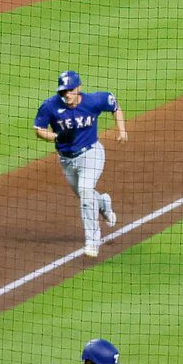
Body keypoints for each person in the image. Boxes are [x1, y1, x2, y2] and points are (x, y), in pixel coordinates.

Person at [34, 69, 128, 257]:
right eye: (63, 91)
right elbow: (38, 129)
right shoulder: (50, 106)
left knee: (85, 191)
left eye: (70, 90)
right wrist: (56, 137)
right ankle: (103, 202)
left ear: (79, 88)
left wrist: (122, 130)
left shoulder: (93, 101)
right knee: (85, 195)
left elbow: (114, 105)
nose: (67, 94)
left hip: (92, 153)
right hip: (67, 160)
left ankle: (92, 241)